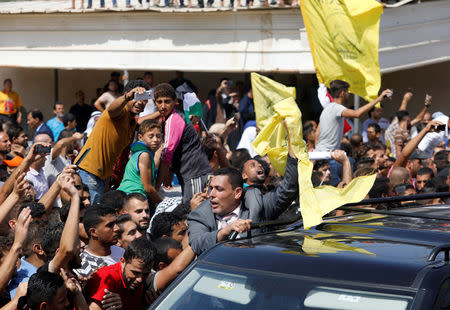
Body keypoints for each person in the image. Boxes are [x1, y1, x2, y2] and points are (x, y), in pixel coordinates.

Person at [188, 124, 298, 255]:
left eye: (219, 189)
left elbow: (289, 187)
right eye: (211, 188)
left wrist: (292, 140)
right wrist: (226, 231)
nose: (211, 194)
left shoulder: (257, 204)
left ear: (237, 193)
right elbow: (197, 243)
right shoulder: (200, 213)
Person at [74, 80, 149, 203]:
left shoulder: (131, 121)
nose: (140, 102)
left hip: (103, 177)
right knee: (88, 216)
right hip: (88, 172)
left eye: (144, 99)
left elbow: (141, 121)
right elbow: (111, 110)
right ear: (127, 95)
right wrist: (127, 97)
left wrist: (160, 113)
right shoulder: (120, 111)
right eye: (137, 97)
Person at [153, 83, 211, 203]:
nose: (163, 106)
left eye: (167, 101)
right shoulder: (169, 118)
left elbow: (167, 154)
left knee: (194, 212)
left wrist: (156, 188)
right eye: (159, 102)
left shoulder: (173, 120)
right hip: (190, 174)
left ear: (176, 102)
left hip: (195, 174)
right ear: (154, 102)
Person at [315, 80, 392, 152]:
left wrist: (318, 152)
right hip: (328, 155)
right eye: (347, 92)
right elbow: (357, 114)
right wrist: (378, 99)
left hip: (321, 153)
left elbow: (317, 133)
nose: (348, 94)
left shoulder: (327, 108)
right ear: (342, 93)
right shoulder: (336, 108)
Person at [85, 238, 155, 310]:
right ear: (123, 261)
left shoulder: (136, 281)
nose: (140, 279)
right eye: (135, 273)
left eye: (145, 274)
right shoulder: (108, 278)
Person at [118, 120, 163, 204]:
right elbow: (148, 188)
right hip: (133, 197)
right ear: (140, 137)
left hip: (127, 195)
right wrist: (163, 203)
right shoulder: (144, 155)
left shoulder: (139, 151)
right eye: (151, 136)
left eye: (158, 136)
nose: (155, 140)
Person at [74, 205, 124, 278]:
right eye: (110, 225)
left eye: (115, 223)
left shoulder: (123, 253)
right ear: (93, 232)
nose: (117, 228)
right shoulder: (82, 266)